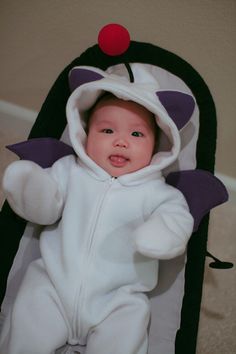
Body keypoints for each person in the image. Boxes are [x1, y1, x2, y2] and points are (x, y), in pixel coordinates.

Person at [0, 65, 194, 354]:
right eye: (106, 130)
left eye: (137, 135)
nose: (121, 140)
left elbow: (177, 218)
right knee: (28, 321)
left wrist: (163, 231)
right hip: (53, 283)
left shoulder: (159, 193)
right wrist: (31, 187)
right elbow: (47, 209)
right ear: (84, 134)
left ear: (158, 147)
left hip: (118, 299)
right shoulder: (68, 171)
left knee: (127, 328)